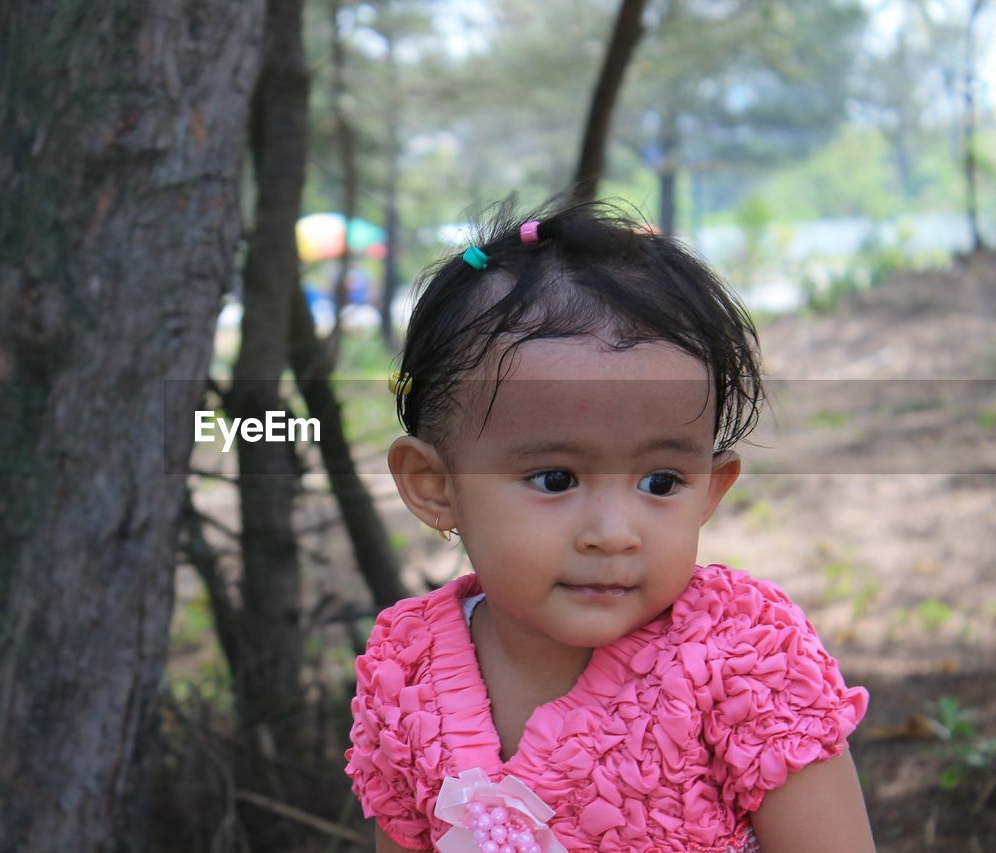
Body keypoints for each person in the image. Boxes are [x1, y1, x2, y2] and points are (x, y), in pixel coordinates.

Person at [344, 201, 873, 852]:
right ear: (435, 486)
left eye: (660, 482)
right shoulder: (407, 668)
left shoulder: (745, 659)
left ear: (710, 488)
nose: (615, 532)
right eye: (556, 479)